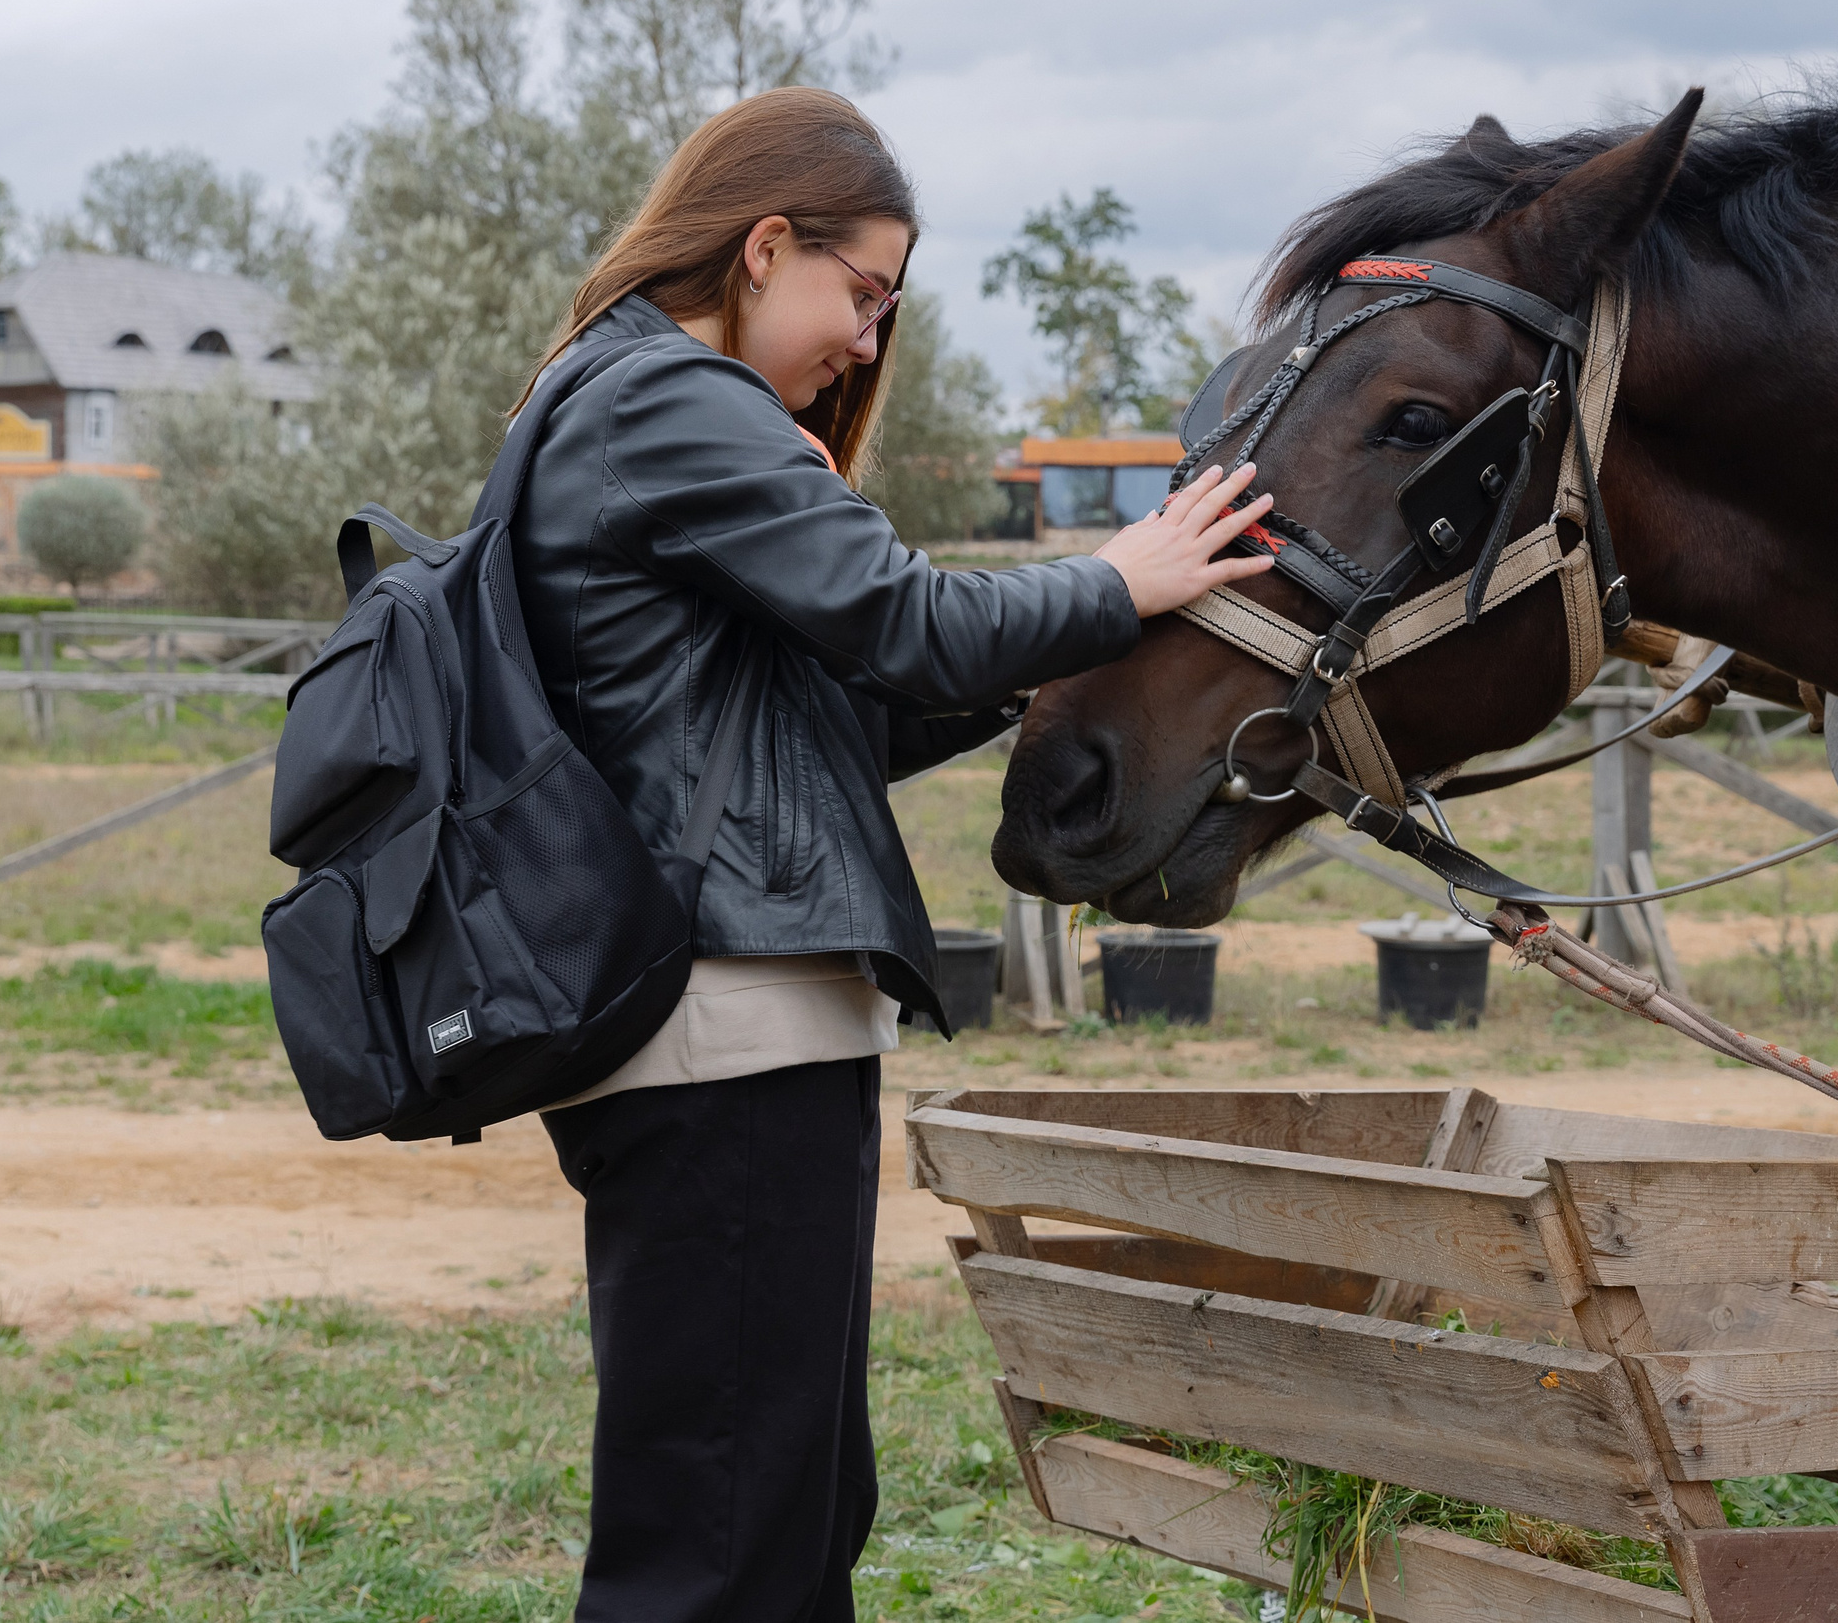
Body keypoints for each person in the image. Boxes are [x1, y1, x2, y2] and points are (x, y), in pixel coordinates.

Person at [502, 87, 1272, 1623]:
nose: (867, 338)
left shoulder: (618, 404)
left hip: (730, 1023)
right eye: (862, 292)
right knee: (722, 1534)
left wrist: (1047, 666)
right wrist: (1122, 581)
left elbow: (838, 717)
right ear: (766, 243)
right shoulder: (666, 396)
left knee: (778, 1508)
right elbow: (908, 618)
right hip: (723, 1024)